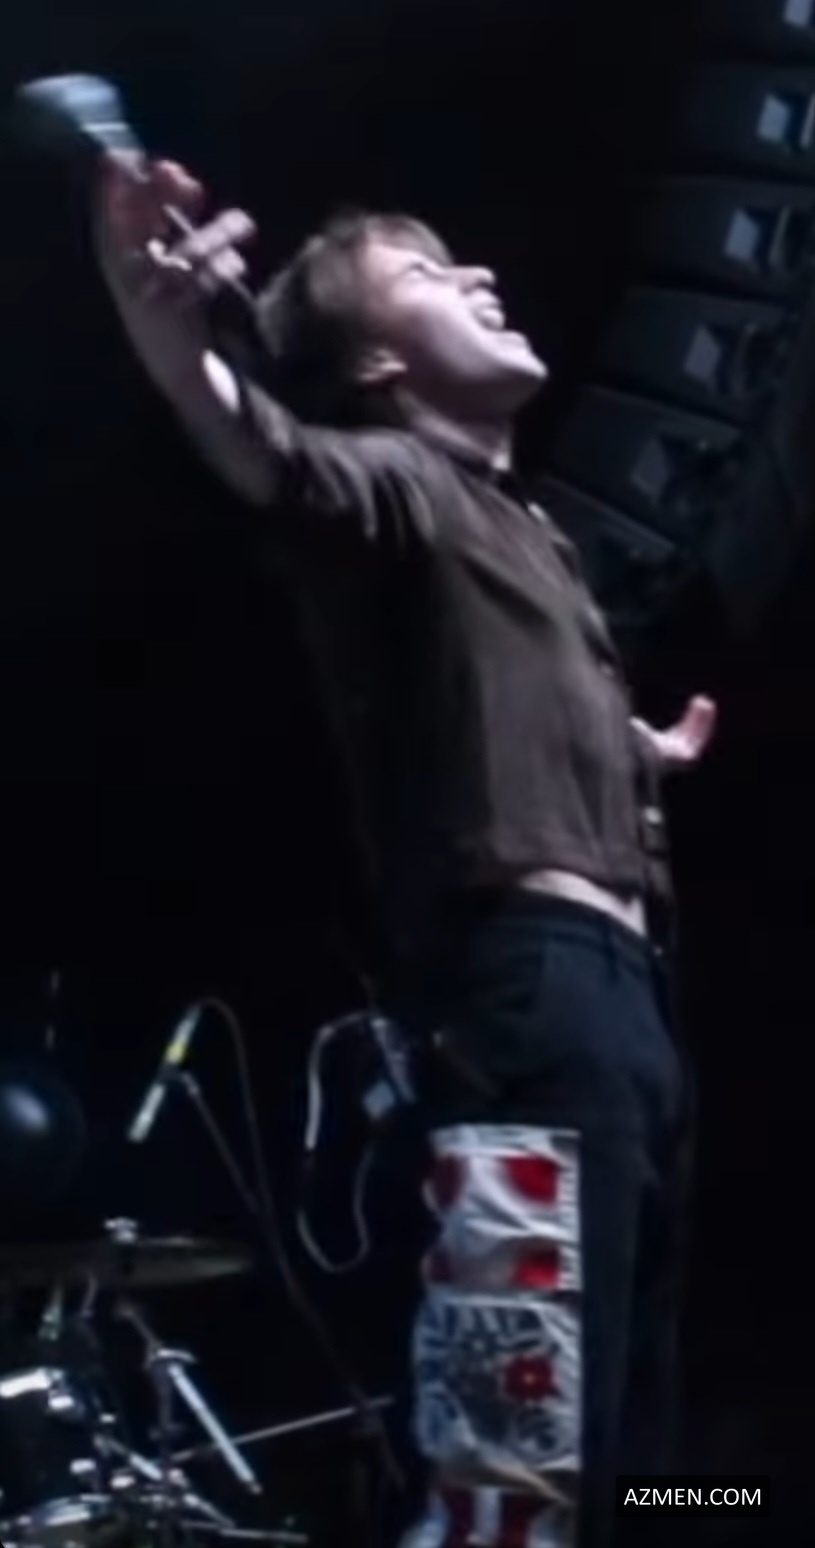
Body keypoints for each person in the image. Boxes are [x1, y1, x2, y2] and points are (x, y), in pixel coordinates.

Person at [93, 153, 717, 1548]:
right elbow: (264, 448)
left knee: (650, 1469)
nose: (481, 274)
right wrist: (168, 334)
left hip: (628, 1011)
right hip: (524, 1000)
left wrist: (626, 749)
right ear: (379, 362)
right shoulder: (398, 484)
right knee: (515, 1463)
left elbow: (502, 698)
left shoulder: (528, 532)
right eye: (431, 273)